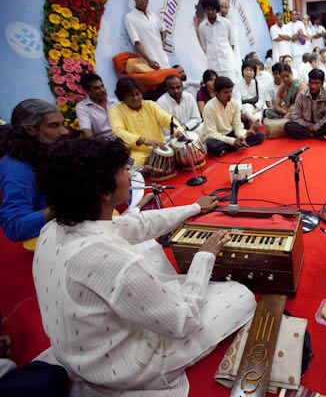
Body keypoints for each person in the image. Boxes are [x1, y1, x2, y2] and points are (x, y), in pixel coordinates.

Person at [33, 137, 255, 396]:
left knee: (148, 248)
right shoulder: (111, 259)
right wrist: (204, 256)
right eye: (124, 171)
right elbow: (182, 322)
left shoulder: (51, 229)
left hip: (76, 352)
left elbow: (139, 225)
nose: (130, 175)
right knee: (241, 295)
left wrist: (193, 207)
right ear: (104, 192)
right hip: (124, 367)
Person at [0, 100, 68, 242]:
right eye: (54, 126)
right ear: (31, 130)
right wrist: (61, 207)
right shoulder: (17, 168)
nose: (64, 131)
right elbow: (14, 226)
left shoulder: (48, 148)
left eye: (63, 124)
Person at [108, 77, 184, 165]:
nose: (136, 98)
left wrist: (178, 130)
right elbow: (118, 132)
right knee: (133, 163)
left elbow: (166, 118)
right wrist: (144, 141)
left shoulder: (150, 105)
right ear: (123, 97)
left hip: (160, 148)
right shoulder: (115, 111)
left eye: (138, 94)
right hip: (136, 154)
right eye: (131, 95)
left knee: (179, 152)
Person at [203, 76, 265, 156]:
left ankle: (229, 148)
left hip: (231, 133)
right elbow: (211, 133)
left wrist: (243, 135)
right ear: (217, 93)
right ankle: (235, 145)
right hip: (217, 137)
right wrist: (232, 141)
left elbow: (237, 124)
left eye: (231, 91)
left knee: (260, 136)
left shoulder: (234, 104)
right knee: (212, 145)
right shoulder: (209, 107)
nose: (230, 95)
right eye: (226, 92)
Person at [284, 69, 326, 140]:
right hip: (305, 125)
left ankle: (309, 134)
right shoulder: (301, 95)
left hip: (320, 125)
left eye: (316, 83)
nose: (313, 86)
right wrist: (309, 126)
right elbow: (296, 116)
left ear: (322, 84)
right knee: (288, 126)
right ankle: (315, 135)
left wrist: (315, 127)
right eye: (311, 83)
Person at [195, 0, 237, 80]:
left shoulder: (226, 23)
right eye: (208, 9)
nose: (210, 12)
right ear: (204, 10)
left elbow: (232, 43)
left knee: (231, 86)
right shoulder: (202, 27)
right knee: (216, 88)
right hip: (213, 66)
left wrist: (226, 55)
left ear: (217, 10)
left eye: (212, 9)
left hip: (227, 64)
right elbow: (204, 45)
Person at [125, 0, 169, 69]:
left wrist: (164, 40)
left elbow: (163, 29)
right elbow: (136, 43)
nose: (142, 1)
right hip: (151, 63)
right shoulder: (130, 17)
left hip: (163, 58)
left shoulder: (153, 15)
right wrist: (149, 60)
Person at [76, 73, 119, 139]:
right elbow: (87, 132)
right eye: (96, 88)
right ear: (87, 91)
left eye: (102, 86)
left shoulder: (115, 102)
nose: (102, 90)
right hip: (104, 144)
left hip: (124, 139)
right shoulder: (82, 107)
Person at [232, 60, 266, 131]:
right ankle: (251, 120)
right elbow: (237, 102)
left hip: (256, 109)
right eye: (246, 70)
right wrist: (246, 111)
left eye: (251, 70)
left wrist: (254, 110)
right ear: (242, 71)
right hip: (243, 109)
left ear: (254, 72)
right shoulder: (237, 85)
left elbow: (261, 101)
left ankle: (251, 122)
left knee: (257, 120)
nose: (248, 72)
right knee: (247, 107)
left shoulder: (259, 84)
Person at [219, 0, 242, 68]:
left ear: (229, 7)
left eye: (226, 7)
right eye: (221, 7)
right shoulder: (213, 19)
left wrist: (229, 54)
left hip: (232, 53)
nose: (223, 10)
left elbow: (233, 39)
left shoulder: (232, 20)